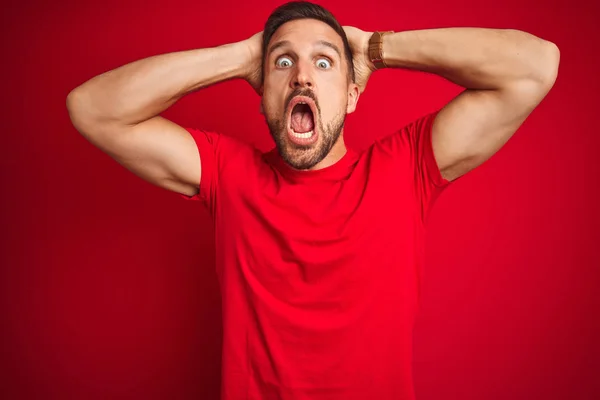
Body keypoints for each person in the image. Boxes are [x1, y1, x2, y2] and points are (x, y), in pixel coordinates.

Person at [66, 1, 559, 399]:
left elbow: (536, 66)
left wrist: (373, 48)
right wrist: (241, 57)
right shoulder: (227, 172)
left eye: (324, 62)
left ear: (351, 93)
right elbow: (91, 109)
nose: (302, 77)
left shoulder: (404, 167)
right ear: (261, 91)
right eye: (283, 62)